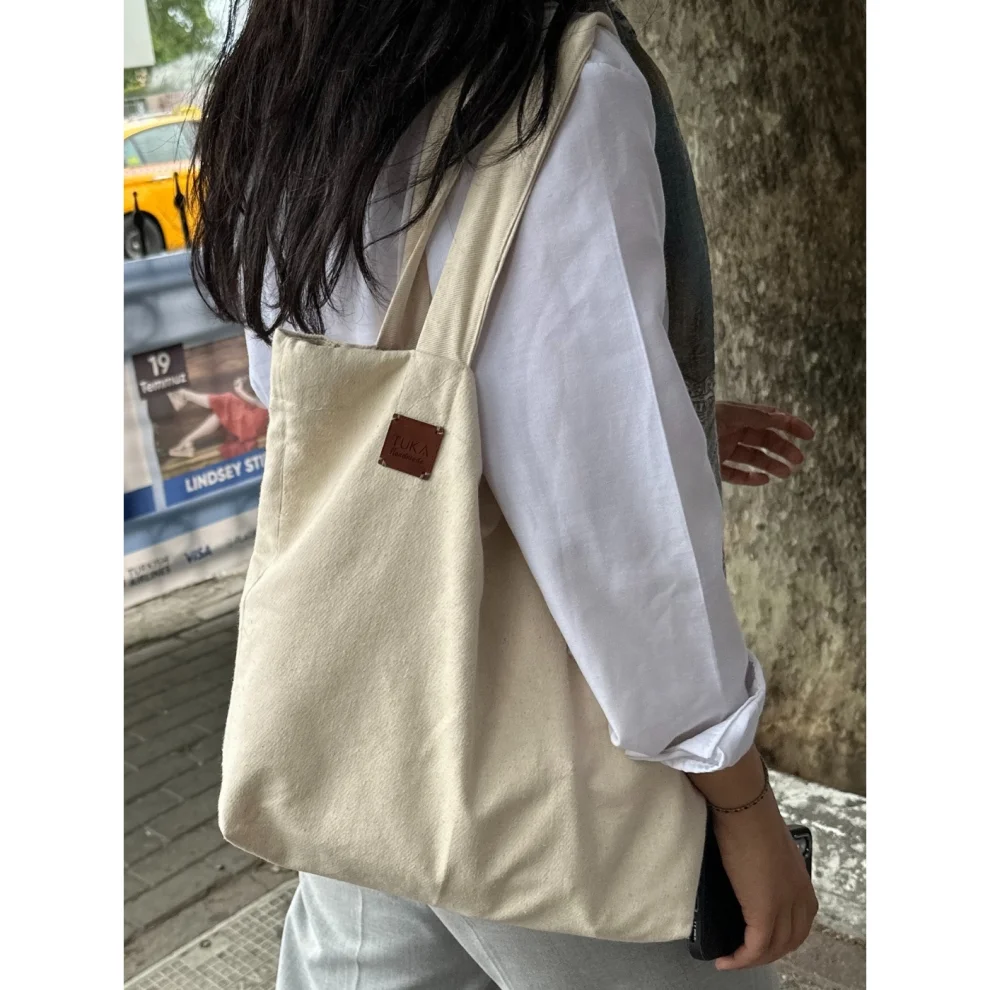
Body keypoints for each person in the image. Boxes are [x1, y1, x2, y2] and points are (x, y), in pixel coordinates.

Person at [193, 2, 818, 988]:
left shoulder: (286, 55)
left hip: (362, 718)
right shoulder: (556, 79)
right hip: (547, 771)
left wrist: (652, 420)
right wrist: (739, 800)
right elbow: (613, 525)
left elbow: (311, 396)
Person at [165, 376, 268, 460]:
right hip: (252, 418)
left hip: (251, 425)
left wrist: (241, 391)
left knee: (227, 400)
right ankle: (186, 442)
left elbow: (262, 403)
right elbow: (257, 402)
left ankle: (184, 395)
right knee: (220, 414)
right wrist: (240, 391)